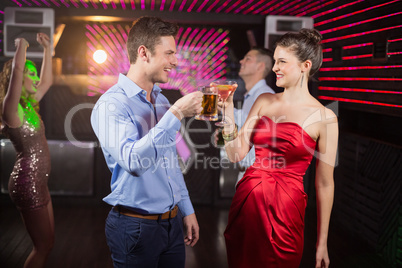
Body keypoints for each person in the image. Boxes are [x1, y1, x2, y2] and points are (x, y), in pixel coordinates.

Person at [90, 16, 202, 268]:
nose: (175, 61)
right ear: (144, 53)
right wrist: (176, 113)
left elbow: (170, 164)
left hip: (172, 225)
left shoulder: (161, 100)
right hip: (135, 227)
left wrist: (186, 208)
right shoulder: (111, 104)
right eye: (169, 53)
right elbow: (134, 162)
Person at [222, 28, 338, 268]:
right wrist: (227, 115)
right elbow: (236, 154)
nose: (274, 68)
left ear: (305, 65)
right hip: (248, 201)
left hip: (286, 210)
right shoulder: (264, 102)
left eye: (282, 61)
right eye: (275, 61)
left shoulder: (325, 117)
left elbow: (325, 183)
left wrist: (322, 242)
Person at [0, 33, 54, 267]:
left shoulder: (30, 105)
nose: (35, 78)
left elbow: (48, 81)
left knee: (48, 244)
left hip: (39, 181)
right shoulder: (11, 110)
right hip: (26, 183)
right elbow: (18, 70)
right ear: (16, 80)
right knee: (41, 247)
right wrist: (21, 45)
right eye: (29, 74)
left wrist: (47, 50)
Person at [232, 47, 275, 183]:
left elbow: (250, 123)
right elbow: (248, 134)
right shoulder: (251, 95)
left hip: (257, 177)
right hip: (244, 174)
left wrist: (224, 107)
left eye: (247, 59)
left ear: (260, 67)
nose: (241, 61)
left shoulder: (266, 95)